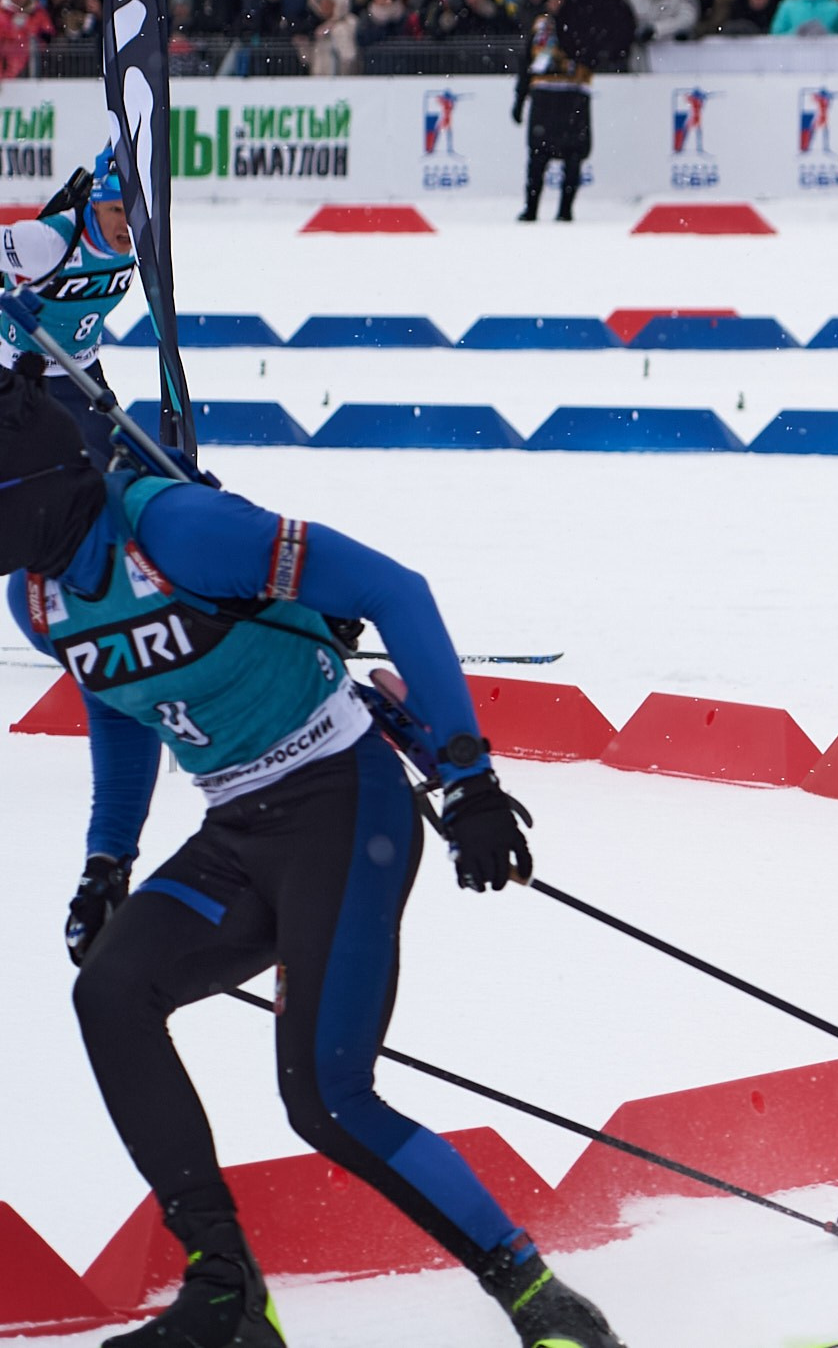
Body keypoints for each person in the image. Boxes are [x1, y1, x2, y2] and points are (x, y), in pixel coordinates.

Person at [0, 360, 623, 1348]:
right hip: (239, 826)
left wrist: (467, 779)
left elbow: (391, 589)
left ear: (28, 498)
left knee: (327, 1099)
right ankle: (227, 1294)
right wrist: (106, 861)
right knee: (111, 994)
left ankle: (540, 1302)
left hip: (344, 798)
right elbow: (114, 694)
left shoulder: (180, 531)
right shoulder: (35, 597)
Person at [0, 147, 135, 467]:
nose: (126, 225)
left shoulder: (144, 236)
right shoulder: (48, 242)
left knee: (117, 473)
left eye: (133, 210)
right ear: (95, 204)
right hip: (19, 375)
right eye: (116, 210)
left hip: (84, 376)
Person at [511, 15, 590, 222]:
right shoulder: (539, 24)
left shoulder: (580, 18)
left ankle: (566, 210)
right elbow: (525, 61)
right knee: (537, 157)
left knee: (573, 156)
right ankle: (531, 209)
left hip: (573, 93)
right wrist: (520, 99)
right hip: (543, 96)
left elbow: (592, 51)